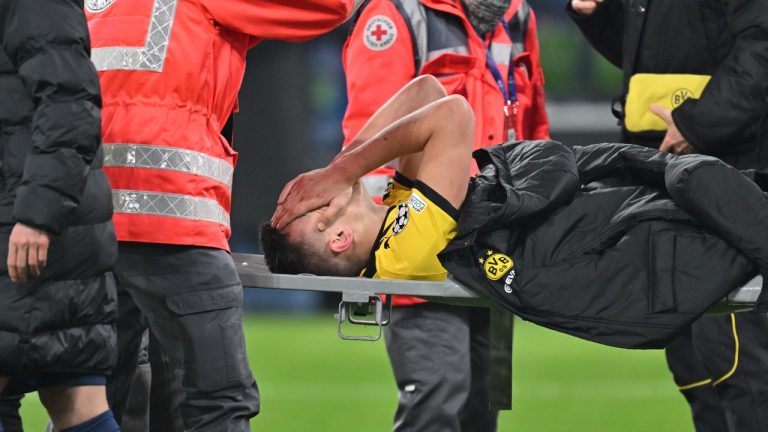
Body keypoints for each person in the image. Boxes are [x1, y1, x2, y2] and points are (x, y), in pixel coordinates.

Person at [267, 73, 768, 357]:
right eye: (309, 207)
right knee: (693, 179)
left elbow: (427, 91)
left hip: (597, 222)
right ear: (336, 240)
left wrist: (339, 168)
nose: (309, 192)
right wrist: (343, 170)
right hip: (613, 249)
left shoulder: (397, 211)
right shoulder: (402, 249)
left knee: (704, 181)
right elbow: (453, 114)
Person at [82, 0, 363, 430]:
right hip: (173, 217)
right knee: (217, 402)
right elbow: (331, 6)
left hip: (88, 225)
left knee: (90, 399)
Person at [341, 0, 548, 429]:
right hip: (425, 259)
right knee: (438, 399)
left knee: (485, 409)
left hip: (495, 251)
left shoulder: (518, 16)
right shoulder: (398, 13)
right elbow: (369, 145)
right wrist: (391, 255)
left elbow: (534, 131)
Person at [566, 0, 768, 430]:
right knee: (694, 365)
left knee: (739, 363)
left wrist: (697, 124)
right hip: (669, 175)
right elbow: (649, 58)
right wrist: (596, 16)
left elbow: (761, 46)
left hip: (732, 178)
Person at [0, 0, 119, 431]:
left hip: (30, 226)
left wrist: (38, 216)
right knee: (73, 398)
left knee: (74, 398)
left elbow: (69, 105)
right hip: (41, 222)